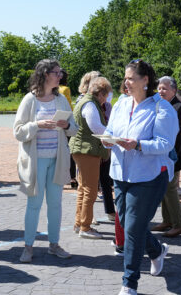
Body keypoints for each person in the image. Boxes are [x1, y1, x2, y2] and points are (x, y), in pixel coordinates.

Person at [103, 59, 178, 295]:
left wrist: (138, 145)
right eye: (125, 78)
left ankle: (129, 283)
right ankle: (156, 250)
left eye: (131, 78)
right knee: (127, 223)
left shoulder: (161, 108)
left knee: (133, 228)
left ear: (146, 81)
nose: (126, 82)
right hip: (120, 173)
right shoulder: (121, 104)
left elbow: (165, 144)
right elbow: (111, 131)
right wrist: (106, 137)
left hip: (149, 176)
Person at [13, 59, 77, 263]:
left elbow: (74, 129)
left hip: (57, 160)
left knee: (55, 204)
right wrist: (37, 125)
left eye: (60, 73)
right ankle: (28, 247)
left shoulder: (61, 100)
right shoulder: (29, 100)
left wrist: (66, 124)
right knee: (34, 204)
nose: (60, 76)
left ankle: (54, 245)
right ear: (45, 74)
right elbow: (18, 132)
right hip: (36, 161)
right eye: (57, 72)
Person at [70, 76, 112, 239]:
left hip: (81, 149)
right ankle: (85, 227)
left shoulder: (85, 101)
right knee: (90, 190)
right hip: (87, 150)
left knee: (83, 188)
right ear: (100, 93)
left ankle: (79, 223)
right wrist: (114, 136)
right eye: (106, 95)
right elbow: (96, 127)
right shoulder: (90, 104)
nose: (106, 99)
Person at [152, 76, 181, 237]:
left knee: (170, 189)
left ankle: (179, 225)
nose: (161, 91)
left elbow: (178, 136)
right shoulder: (160, 105)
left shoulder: (178, 107)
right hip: (163, 154)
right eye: (159, 88)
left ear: (174, 90)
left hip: (174, 155)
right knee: (164, 189)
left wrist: (172, 156)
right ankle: (167, 221)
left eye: (165, 88)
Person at [58, 69, 78, 189]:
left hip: (56, 122)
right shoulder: (65, 89)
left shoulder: (53, 90)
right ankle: (71, 176)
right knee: (69, 151)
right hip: (65, 120)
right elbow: (69, 106)